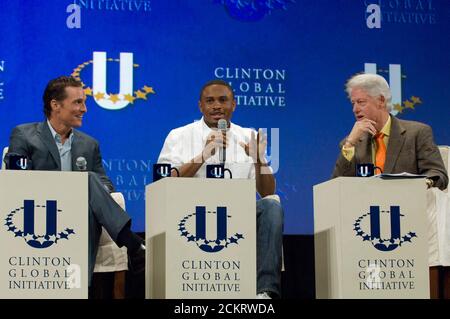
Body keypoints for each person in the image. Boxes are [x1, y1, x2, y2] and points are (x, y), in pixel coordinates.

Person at [7, 76, 145, 288]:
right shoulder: (24, 134)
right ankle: (133, 245)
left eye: (84, 102)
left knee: (89, 187)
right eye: (78, 102)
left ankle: (78, 287)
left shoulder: (89, 144)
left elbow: (106, 184)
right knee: (86, 180)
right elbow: (15, 177)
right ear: (55, 105)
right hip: (38, 210)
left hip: (77, 214)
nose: (84, 109)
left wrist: (86, 189)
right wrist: (71, 185)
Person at [157, 79, 284, 299]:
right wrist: (204, 154)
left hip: (239, 216)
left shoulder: (248, 136)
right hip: (192, 215)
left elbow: (267, 193)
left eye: (223, 100)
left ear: (234, 104)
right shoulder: (179, 135)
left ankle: (265, 292)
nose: (217, 106)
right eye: (210, 101)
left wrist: (258, 160)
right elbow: (162, 183)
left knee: (272, 206)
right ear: (200, 106)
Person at [332, 73, 448, 190]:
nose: (355, 109)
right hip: (367, 207)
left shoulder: (417, 134)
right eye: (353, 103)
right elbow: (337, 185)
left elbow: (438, 174)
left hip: (407, 205)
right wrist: (349, 144)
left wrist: (421, 185)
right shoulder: (352, 143)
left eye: (361, 102)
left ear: (381, 100)